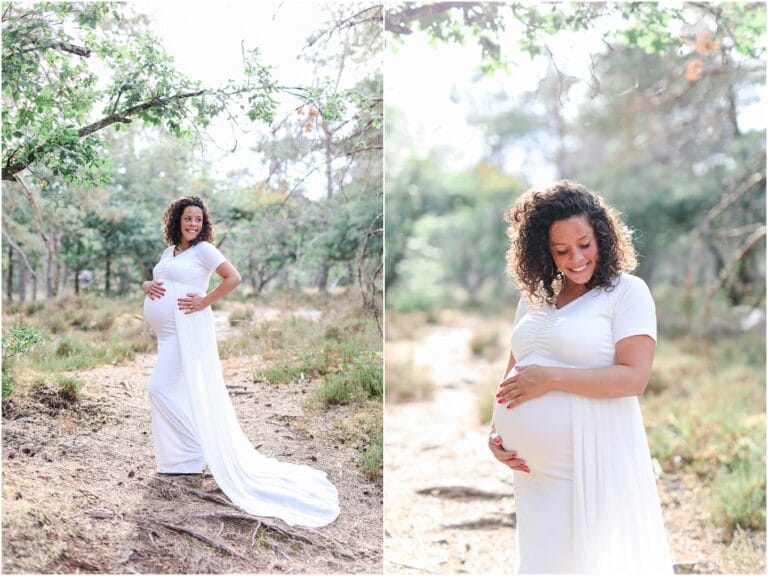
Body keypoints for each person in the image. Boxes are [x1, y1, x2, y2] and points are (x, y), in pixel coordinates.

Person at [488, 181, 672, 573]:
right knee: (541, 558)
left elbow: (633, 379)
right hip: (533, 470)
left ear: (602, 236)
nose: (575, 258)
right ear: (544, 250)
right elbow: (516, 364)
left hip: (588, 455)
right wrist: (495, 430)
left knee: (582, 560)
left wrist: (552, 379)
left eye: (585, 244)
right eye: (561, 250)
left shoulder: (626, 293)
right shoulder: (535, 296)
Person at [141, 195, 339, 528]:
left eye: (198, 220)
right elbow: (159, 281)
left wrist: (205, 301)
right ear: (176, 220)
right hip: (166, 333)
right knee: (173, 391)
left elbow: (233, 278)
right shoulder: (169, 253)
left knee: (158, 389)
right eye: (188, 219)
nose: (193, 224)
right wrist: (146, 284)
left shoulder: (204, 250)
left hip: (185, 329)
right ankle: (183, 458)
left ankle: (197, 448)